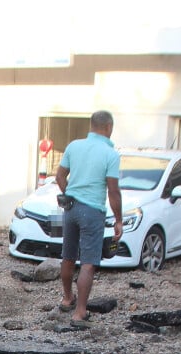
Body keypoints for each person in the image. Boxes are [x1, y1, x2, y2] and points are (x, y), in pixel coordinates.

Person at [55, 110, 122, 328]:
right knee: (88, 263)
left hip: (71, 208)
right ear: (109, 127)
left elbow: (59, 176)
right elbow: (113, 190)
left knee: (68, 256)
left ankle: (67, 298)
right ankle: (80, 311)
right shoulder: (110, 155)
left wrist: (70, 194)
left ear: (91, 125)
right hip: (92, 211)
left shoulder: (74, 146)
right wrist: (119, 220)